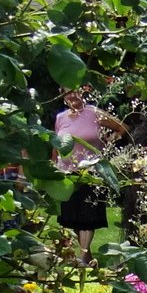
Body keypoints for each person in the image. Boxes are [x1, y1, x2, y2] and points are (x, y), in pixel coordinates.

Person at [54, 87, 128, 264]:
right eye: (67, 92)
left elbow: (122, 127)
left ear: (83, 92)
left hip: (91, 172)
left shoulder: (93, 113)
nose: (72, 96)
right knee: (70, 216)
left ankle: (83, 255)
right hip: (67, 172)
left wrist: (109, 143)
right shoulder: (60, 118)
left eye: (75, 91)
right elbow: (56, 144)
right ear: (62, 95)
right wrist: (53, 166)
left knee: (88, 215)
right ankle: (82, 255)